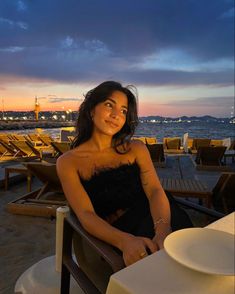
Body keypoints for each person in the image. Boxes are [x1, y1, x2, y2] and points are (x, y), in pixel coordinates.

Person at [57, 81, 192, 268]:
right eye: (109, 105)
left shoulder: (136, 148)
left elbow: (154, 191)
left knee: (190, 262)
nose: (116, 115)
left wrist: (163, 229)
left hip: (161, 217)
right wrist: (124, 241)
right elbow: (86, 214)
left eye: (123, 111)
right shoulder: (68, 162)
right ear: (91, 110)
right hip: (117, 234)